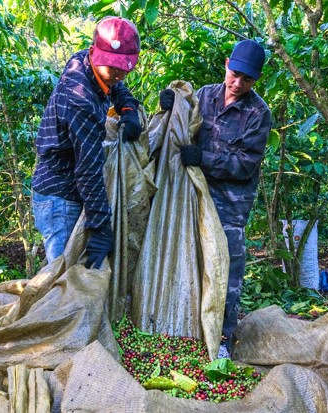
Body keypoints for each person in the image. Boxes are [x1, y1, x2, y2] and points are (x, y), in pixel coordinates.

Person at [159, 40, 272, 358]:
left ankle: (222, 342)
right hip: (193, 195)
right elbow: (179, 121)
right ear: (226, 64)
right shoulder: (205, 95)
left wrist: (203, 159)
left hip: (230, 205)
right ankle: (186, 330)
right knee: (189, 260)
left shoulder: (258, 113)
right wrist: (170, 105)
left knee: (225, 270)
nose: (238, 84)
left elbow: (245, 164)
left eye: (247, 80)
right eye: (234, 74)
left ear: (255, 80)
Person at [32, 16, 142, 268]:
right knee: (64, 284)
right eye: (111, 68)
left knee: (73, 282)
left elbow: (115, 85)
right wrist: (101, 226)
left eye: (123, 67)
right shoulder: (79, 100)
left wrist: (127, 108)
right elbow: (88, 170)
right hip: (60, 198)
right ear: (94, 52)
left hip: (72, 190)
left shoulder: (85, 60)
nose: (117, 74)